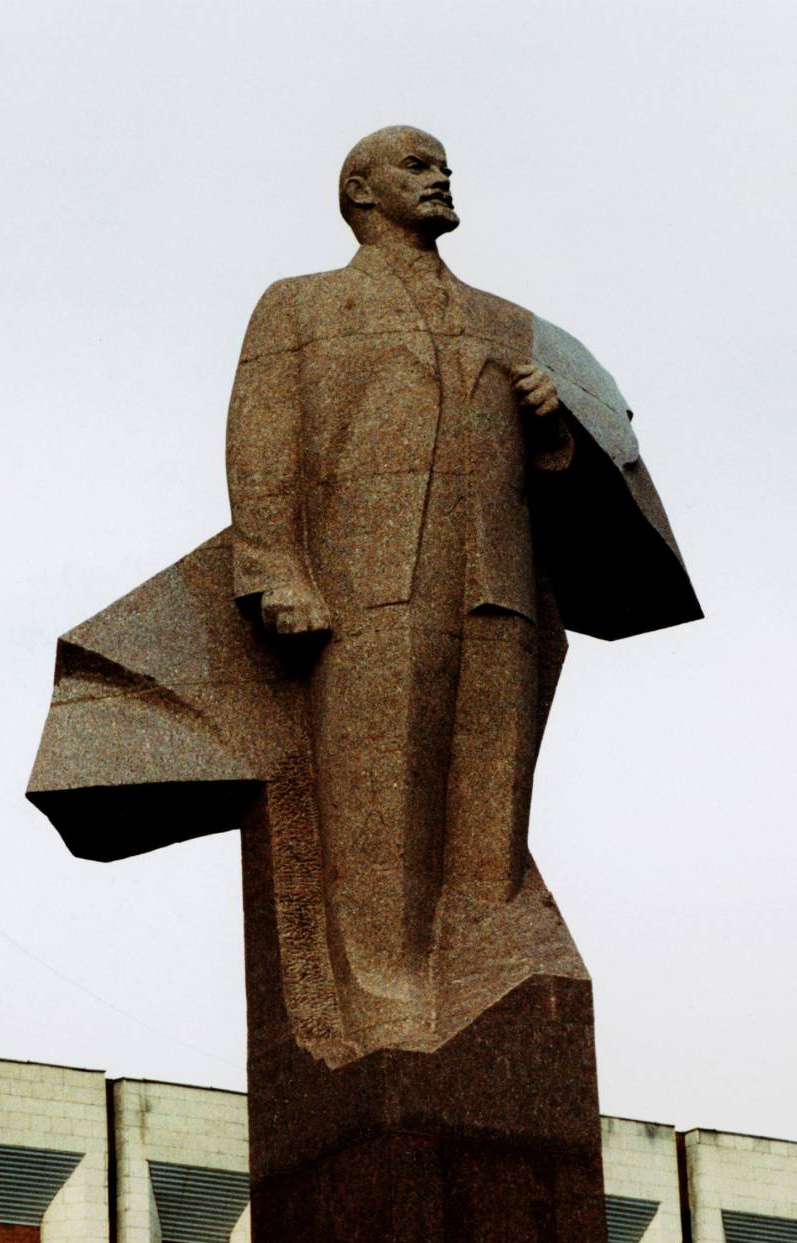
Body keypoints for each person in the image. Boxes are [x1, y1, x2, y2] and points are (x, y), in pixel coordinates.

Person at [225, 125, 595, 1050]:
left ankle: (484, 966)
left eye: (444, 167)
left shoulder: (506, 322)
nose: (442, 178)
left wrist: (554, 432)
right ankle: (384, 996)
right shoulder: (301, 305)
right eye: (417, 166)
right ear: (361, 191)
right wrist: (274, 567)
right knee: (378, 808)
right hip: (372, 589)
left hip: (499, 584)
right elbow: (263, 444)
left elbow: (555, 482)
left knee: (491, 815)